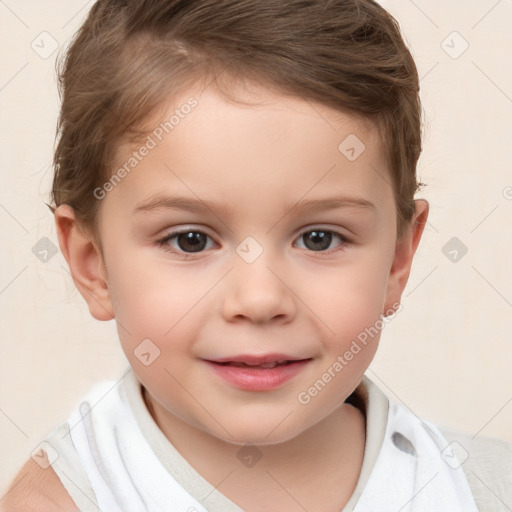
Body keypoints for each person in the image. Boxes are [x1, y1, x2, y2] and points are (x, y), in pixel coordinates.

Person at [3, 0, 512, 510]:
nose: (261, 298)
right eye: (190, 240)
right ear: (93, 265)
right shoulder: (60, 500)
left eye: (320, 238)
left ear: (398, 261)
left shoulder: (483, 489)